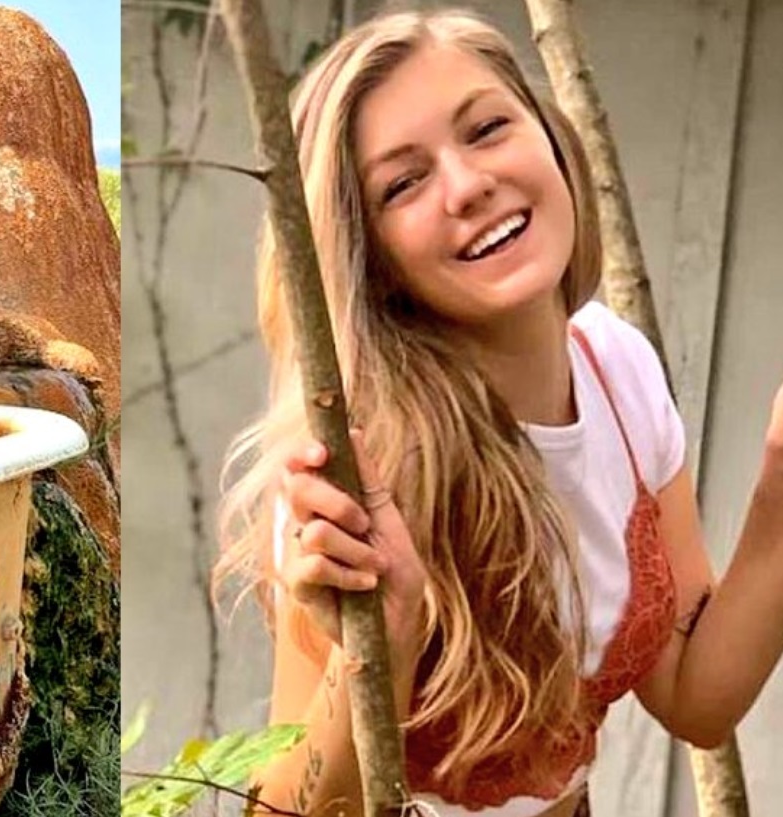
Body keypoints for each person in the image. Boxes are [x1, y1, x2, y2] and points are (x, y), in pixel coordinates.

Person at [216, 9, 783, 816]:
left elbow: (694, 694)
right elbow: (283, 812)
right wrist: (385, 643)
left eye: (486, 129)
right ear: (369, 257)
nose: (468, 183)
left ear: (551, 140)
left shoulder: (616, 370)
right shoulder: (360, 465)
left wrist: (778, 478)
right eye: (403, 182)